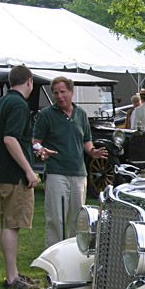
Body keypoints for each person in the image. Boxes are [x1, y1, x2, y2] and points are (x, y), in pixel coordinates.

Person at [33, 76, 109, 248]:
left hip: (79, 173)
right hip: (56, 172)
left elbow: (86, 141)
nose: (59, 96)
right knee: (56, 218)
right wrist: (41, 149)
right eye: (56, 93)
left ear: (71, 92)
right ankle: (54, 255)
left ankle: (73, 252)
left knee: (77, 218)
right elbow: (35, 141)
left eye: (63, 92)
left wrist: (92, 151)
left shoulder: (81, 114)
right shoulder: (46, 115)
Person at [0, 65, 40, 289]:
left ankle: (14, 273)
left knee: (7, 224)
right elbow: (10, 139)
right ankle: (12, 278)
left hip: (1, 172)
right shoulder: (19, 104)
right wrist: (28, 170)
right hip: (14, 175)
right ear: (29, 81)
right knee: (12, 225)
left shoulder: (1, 102)